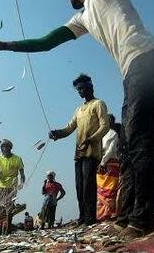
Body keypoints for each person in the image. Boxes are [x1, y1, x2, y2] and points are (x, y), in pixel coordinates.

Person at [0, 0, 154, 238]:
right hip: (134, 71)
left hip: (145, 60)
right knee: (131, 145)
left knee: (139, 141)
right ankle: (128, 215)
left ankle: (141, 220)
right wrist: (1, 45)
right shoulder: (82, 19)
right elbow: (46, 42)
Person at [48, 74, 109, 226]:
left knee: (89, 186)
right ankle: (82, 217)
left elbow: (105, 126)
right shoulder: (79, 110)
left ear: (90, 87)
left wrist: (92, 139)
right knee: (79, 187)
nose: (80, 91)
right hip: (79, 153)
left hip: (92, 153)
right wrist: (58, 133)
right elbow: (69, 128)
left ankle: (90, 219)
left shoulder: (98, 104)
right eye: (78, 89)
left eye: (82, 88)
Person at [97, 114, 120, 221]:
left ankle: (110, 213)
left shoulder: (113, 134)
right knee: (101, 190)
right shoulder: (101, 135)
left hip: (110, 164)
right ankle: (102, 214)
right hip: (102, 166)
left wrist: (102, 162)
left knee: (110, 191)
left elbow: (110, 151)